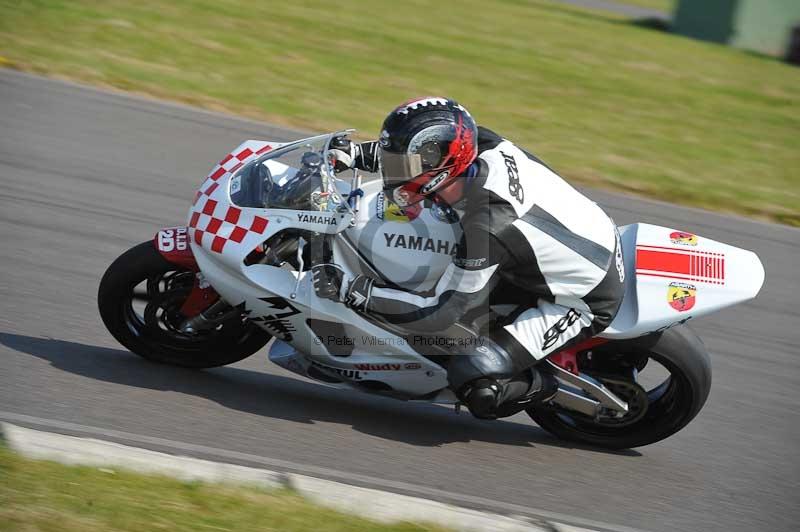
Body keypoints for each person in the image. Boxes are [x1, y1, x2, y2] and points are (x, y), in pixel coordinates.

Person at [312, 97, 625, 419]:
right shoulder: (479, 142)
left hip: (581, 299)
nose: (394, 171)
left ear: (440, 168)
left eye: (401, 164)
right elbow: (415, 155)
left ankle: (542, 387)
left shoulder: (486, 227)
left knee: (474, 372)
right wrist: (354, 154)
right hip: (573, 236)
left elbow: (439, 313)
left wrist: (357, 291)